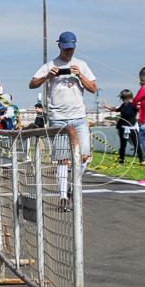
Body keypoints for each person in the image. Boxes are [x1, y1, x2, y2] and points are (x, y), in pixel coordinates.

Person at [29, 31, 97, 208]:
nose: (69, 53)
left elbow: (93, 88)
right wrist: (47, 77)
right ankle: (63, 197)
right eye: (66, 49)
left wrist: (80, 75)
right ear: (59, 46)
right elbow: (32, 83)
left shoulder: (81, 65)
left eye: (72, 49)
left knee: (83, 156)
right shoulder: (50, 65)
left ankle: (73, 187)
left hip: (78, 117)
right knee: (62, 158)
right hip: (58, 117)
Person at [102, 90, 143, 164]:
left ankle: (141, 160)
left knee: (137, 144)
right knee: (123, 145)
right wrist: (106, 106)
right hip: (123, 127)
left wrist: (140, 104)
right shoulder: (124, 105)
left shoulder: (134, 104)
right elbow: (116, 109)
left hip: (132, 127)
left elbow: (139, 108)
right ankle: (121, 161)